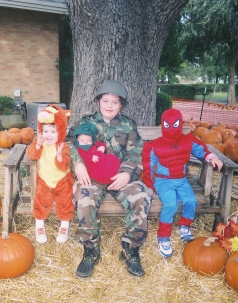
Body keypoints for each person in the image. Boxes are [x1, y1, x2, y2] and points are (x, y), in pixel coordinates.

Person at [67, 80, 153, 278]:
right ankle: (90, 249)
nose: (109, 105)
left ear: (121, 105)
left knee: (141, 197)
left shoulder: (128, 125)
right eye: (105, 100)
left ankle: (130, 249)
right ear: (98, 101)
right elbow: (71, 144)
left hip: (119, 175)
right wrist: (78, 163)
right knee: (85, 199)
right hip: (93, 176)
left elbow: (135, 153)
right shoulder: (86, 122)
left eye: (115, 102)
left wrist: (126, 173)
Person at [142, 108, 223, 258]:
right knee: (171, 204)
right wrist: (150, 183)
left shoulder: (188, 140)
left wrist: (212, 158)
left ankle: (184, 225)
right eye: (167, 125)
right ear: (162, 125)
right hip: (163, 181)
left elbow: (201, 149)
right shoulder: (155, 145)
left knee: (191, 201)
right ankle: (163, 236)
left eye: (175, 125)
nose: (172, 129)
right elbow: (148, 164)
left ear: (180, 124)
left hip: (181, 180)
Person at [26, 104, 74, 244]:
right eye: (45, 131)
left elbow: (65, 165)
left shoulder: (63, 146)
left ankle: (64, 225)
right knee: (41, 200)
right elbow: (32, 156)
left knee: (65, 201)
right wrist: (37, 145)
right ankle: (39, 225)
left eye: (53, 132)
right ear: (41, 131)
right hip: (44, 179)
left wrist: (59, 157)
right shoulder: (40, 144)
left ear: (60, 132)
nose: (48, 135)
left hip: (62, 180)